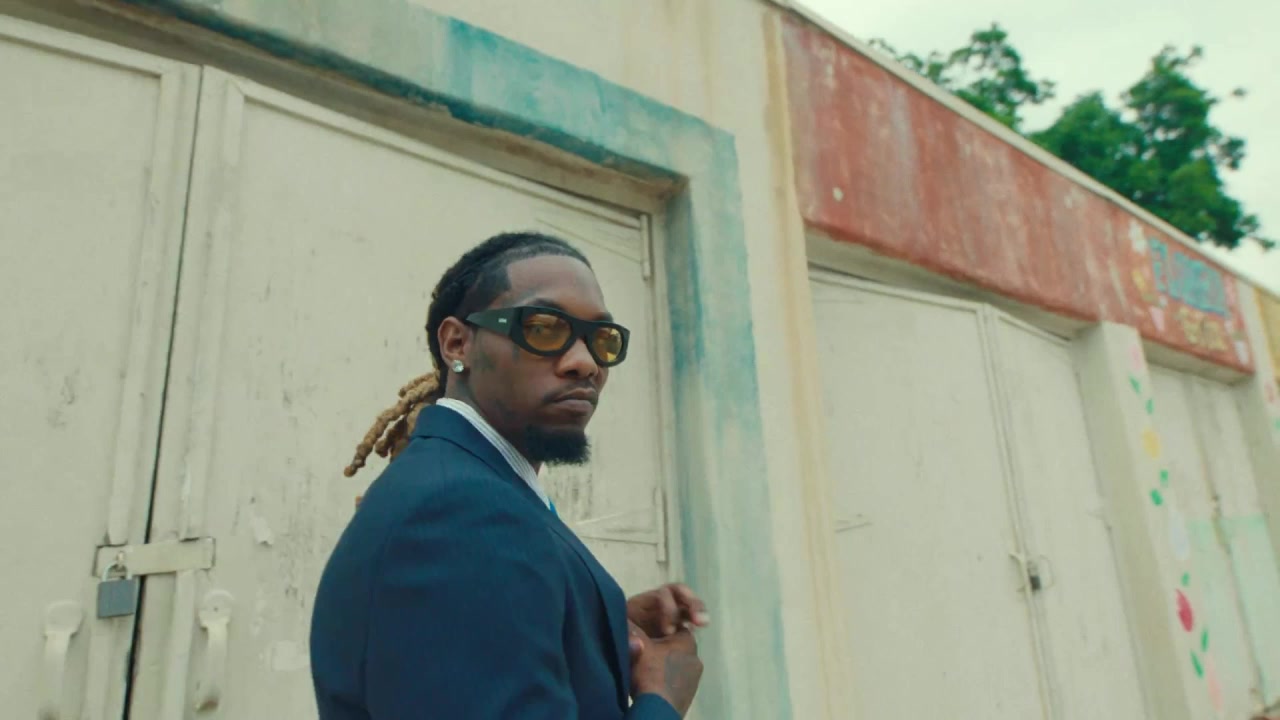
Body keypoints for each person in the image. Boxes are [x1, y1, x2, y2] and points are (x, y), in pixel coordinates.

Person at [310, 232, 709, 719]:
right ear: (457, 343)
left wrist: (598, 624)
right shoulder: (460, 512)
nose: (585, 363)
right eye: (544, 328)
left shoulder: (471, 490)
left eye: (601, 339)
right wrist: (661, 700)